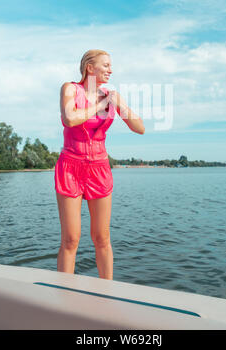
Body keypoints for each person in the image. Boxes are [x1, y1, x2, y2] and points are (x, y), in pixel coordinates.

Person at [54, 49, 145, 280]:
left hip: (99, 169)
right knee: (70, 239)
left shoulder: (112, 94)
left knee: (102, 238)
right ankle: (65, 294)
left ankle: (108, 292)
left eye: (110, 66)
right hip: (70, 167)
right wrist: (99, 104)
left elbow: (140, 128)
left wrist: (118, 104)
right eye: (105, 65)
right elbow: (69, 118)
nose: (110, 70)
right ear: (89, 68)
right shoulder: (70, 88)